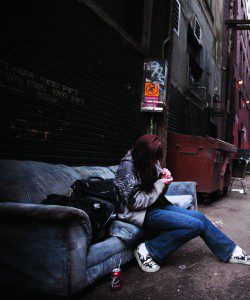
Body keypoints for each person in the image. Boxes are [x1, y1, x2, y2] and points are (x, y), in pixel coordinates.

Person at [113, 134, 250, 272]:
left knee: (198, 216)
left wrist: (164, 179)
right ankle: (148, 250)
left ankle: (230, 251)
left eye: (157, 160)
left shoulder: (149, 160)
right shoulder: (127, 168)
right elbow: (135, 203)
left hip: (155, 205)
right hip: (138, 213)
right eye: (154, 160)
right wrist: (160, 184)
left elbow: (158, 189)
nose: (156, 163)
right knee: (195, 226)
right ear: (144, 155)